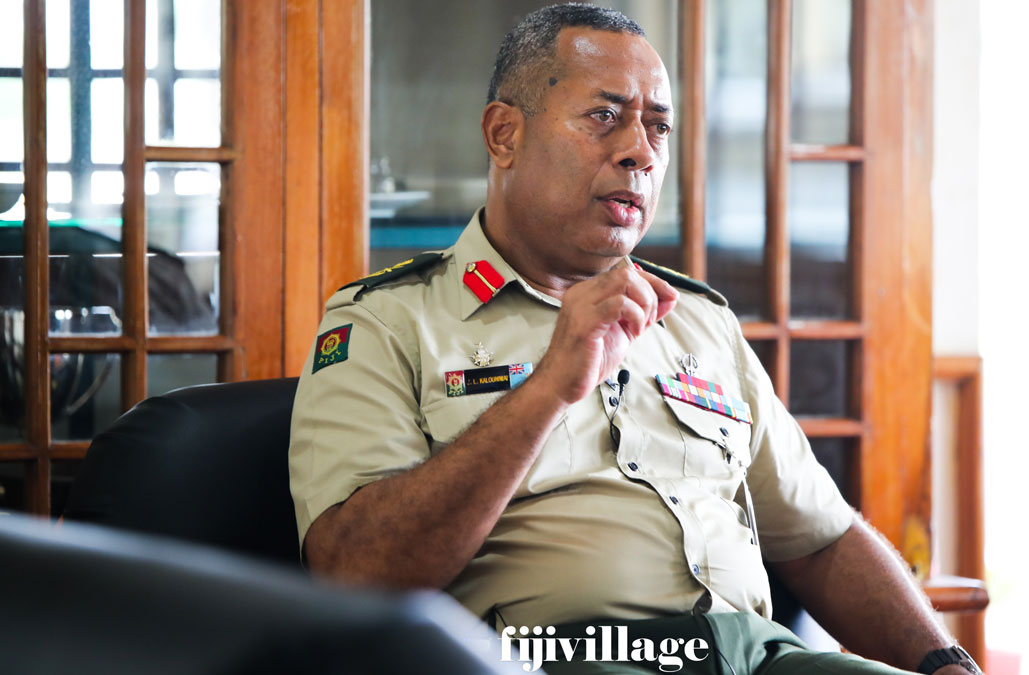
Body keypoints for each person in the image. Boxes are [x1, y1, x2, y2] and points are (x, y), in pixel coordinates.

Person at [289, 5, 981, 674]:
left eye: (658, 127)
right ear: (504, 135)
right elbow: (356, 573)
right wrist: (550, 387)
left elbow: (822, 538)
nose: (640, 153)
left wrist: (946, 662)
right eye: (604, 116)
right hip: (562, 658)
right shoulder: (386, 321)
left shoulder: (698, 320)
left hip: (757, 654)